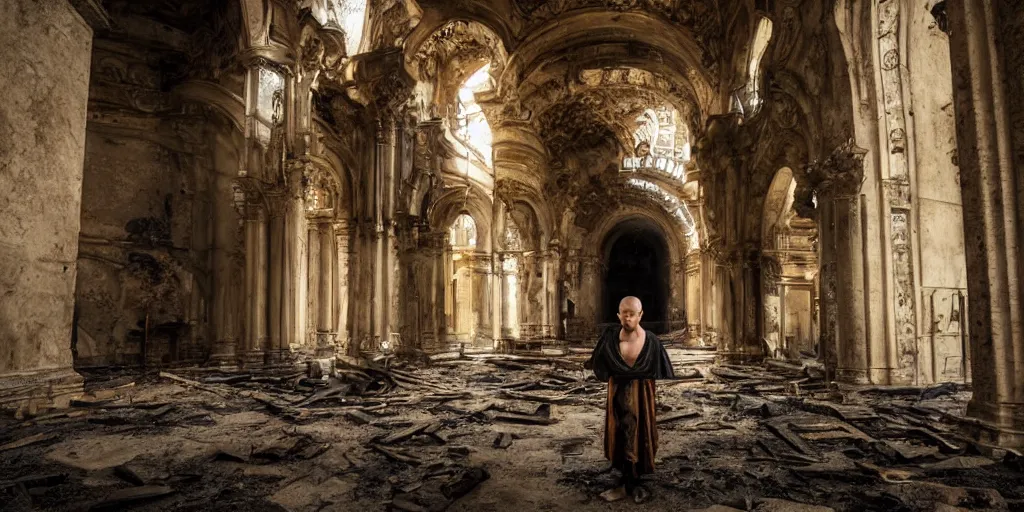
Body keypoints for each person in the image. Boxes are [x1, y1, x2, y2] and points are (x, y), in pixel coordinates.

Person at [584, 296, 675, 503]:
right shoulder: (610, 340)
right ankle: (625, 475)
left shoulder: (651, 342)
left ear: (640, 315)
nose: (628, 318)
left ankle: (631, 481)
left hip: (640, 394)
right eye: (624, 313)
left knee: (638, 431)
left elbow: (659, 366)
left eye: (632, 314)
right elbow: (598, 363)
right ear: (618, 315)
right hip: (617, 392)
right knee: (619, 431)